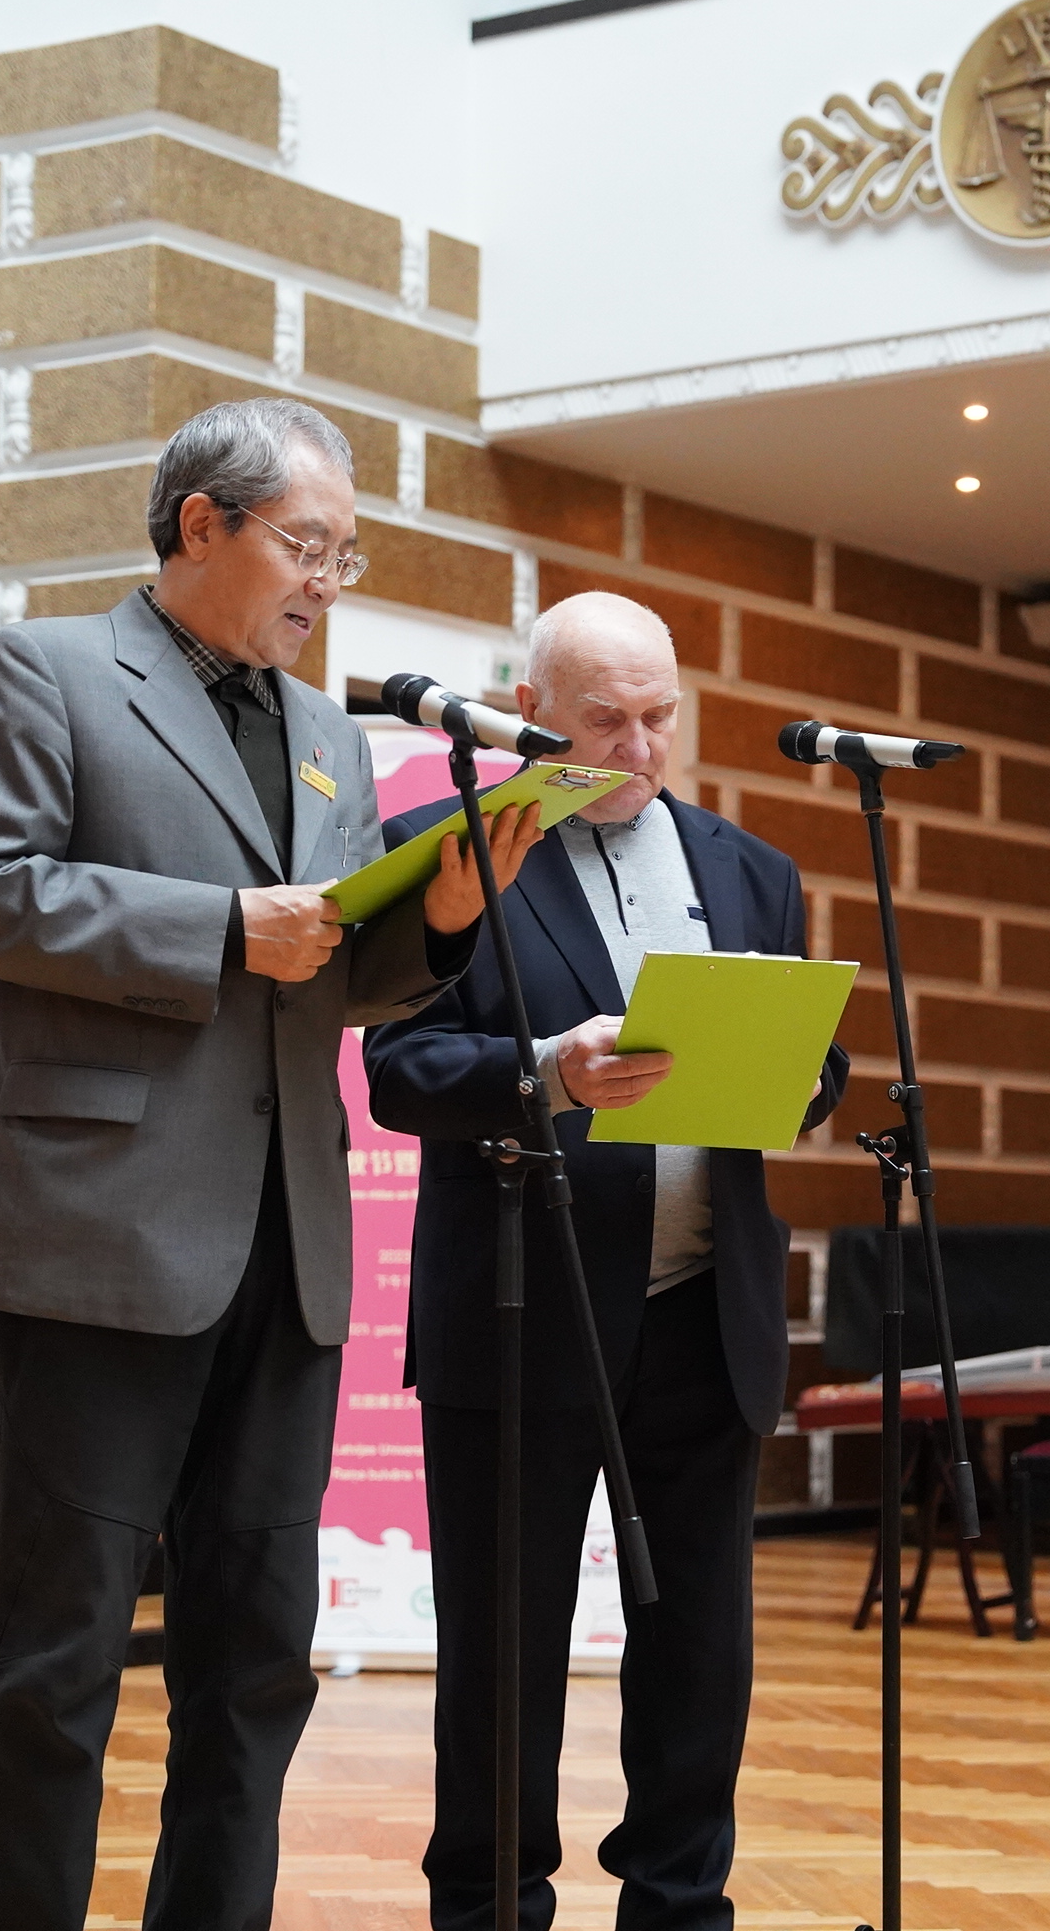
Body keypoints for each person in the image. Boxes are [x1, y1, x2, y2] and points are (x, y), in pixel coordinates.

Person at [0, 395, 538, 1931]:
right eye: (308, 547)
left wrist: (441, 922)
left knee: (257, 1660)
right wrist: (215, 928)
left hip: (288, 1250)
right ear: (203, 524)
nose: (328, 582)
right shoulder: (47, 670)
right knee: (57, 1658)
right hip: (100, 1238)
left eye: (345, 555)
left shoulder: (327, 734)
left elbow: (331, 968)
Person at [365, 589, 849, 1931]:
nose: (638, 749)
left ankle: (679, 1909)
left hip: (705, 1311)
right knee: (503, 1649)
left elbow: (803, 1060)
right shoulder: (445, 851)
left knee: (700, 1652)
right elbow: (400, 1071)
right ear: (529, 715)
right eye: (605, 720)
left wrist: (802, 1074)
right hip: (525, 1312)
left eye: (659, 718)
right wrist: (548, 1071)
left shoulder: (752, 869)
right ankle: (494, 1909)